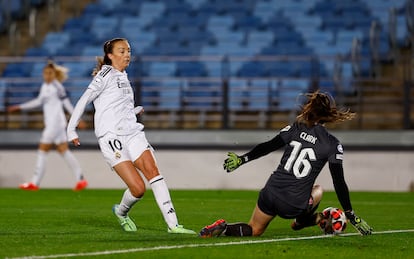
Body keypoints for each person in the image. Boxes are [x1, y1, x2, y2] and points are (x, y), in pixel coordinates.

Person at [199, 91, 373, 237]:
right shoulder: (332, 144)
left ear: (310, 111)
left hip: (270, 192)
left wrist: (242, 159)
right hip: (293, 204)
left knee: (254, 229)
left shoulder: (295, 128)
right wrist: (350, 214)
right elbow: (339, 181)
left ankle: (223, 228)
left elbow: (268, 146)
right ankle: (305, 221)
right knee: (318, 190)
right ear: (327, 116)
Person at [66, 38, 195, 234]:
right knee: (138, 189)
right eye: (122, 51)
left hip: (132, 132)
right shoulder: (105, 74)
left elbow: (113, 107)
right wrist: (71, 129)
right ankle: (121, 212)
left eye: (128, 50)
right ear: (110, 55)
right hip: (111, 138)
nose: (127, 54)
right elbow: (85, 99)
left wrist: (133, 111)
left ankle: (173, 224)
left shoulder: (123, 76)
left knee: (153, 171)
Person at [7, 61, 88, 191]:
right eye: (45, 73)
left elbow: (67, 104)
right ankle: (81, 179)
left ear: (55, 74)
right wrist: (20, 107)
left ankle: (35, 182)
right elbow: (38, 101)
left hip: (55, 124)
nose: (47, 75)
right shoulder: (45, 86)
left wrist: (77, 119)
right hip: (55, 124)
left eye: (50, 73)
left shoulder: (57, 87)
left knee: (42, 150)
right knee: (64, 151)